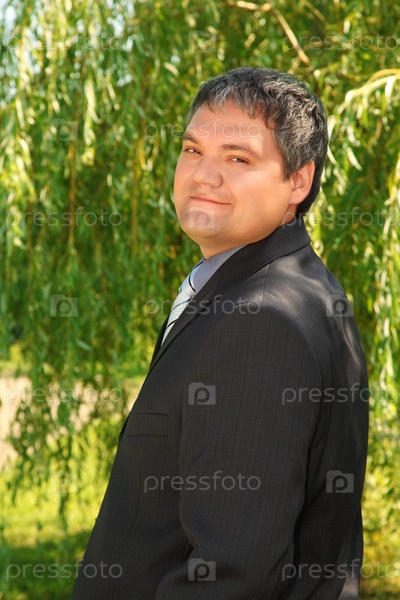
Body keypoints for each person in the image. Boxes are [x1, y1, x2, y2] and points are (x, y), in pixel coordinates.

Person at [71, 67, 369, 599]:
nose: (203, 175)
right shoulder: (295, 287)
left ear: (299, 181)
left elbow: (231, 575)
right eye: (192, 150)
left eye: (238, 158)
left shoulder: (260, 324)